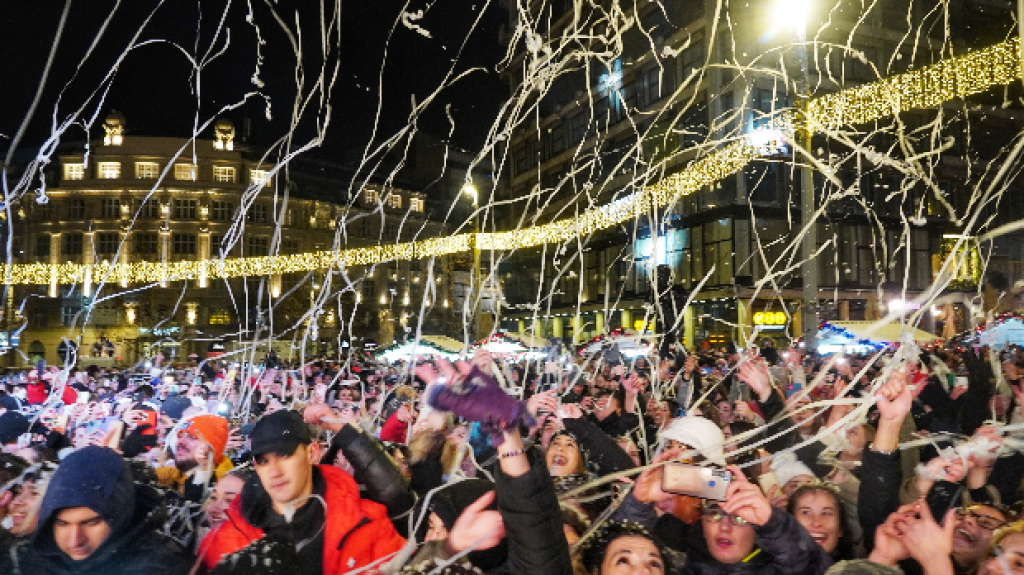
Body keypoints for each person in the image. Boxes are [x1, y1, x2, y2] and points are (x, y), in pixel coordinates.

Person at [197, 409, 405, 573]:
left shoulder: (369, 526)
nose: (274, 472)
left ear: (312, 453)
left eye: (284, 455)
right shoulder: (227, 538)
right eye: (263, 461)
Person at [3, 446, 194, 574]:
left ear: (120, 512)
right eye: (62, 523)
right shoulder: (29, 558)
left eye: (91, 522)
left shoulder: (163, 567)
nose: (74, 539)